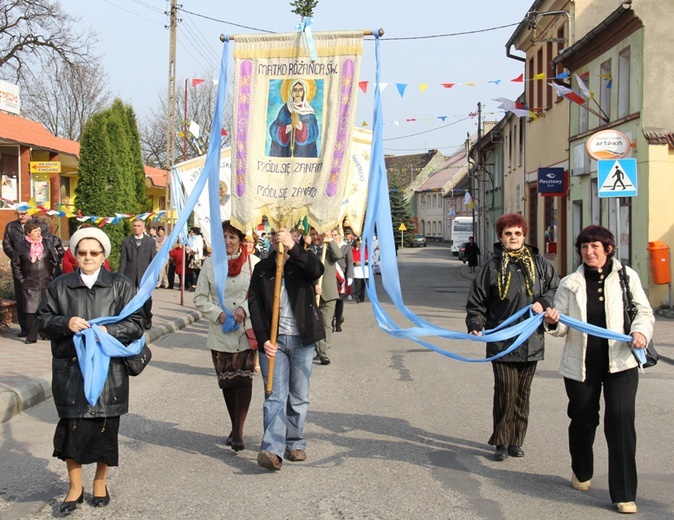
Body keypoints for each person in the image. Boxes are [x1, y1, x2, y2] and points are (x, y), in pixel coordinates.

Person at [544, 225, 653, 515]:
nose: (589, 252)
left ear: (608, 249)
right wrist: (553, 322)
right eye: (584, 247)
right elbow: (562, 327)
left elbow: (644, 312)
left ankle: (624, 494)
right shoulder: (569, 283)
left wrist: (641, 332)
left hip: (622, 363)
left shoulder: (627, 277)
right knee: (582, 420)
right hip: (582, 366)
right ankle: (581, 469)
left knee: (620, 424)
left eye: (595, 247)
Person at [35, 227, 145, 513]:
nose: (87, 258)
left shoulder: (120, 285)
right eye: (82, 253)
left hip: (109, 371)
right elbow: (42, 320)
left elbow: (137, 323)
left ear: (103, 255)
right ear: (74, 254)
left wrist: (108, 330)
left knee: (104, 430)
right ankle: (74, 486)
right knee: (73, 431)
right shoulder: (59, 286)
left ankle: (99, 481)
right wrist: (66, 323)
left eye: (94, 253)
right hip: (71, 369)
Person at [466, 213, 559, 462]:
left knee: (522, 392)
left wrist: (544, 301)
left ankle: (517, 440)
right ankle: (501, 440)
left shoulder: (539, 263)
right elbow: (477, 301)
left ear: (524, 235)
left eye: (518, 233)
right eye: (508, 234)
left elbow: (554, 287)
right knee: (505, 390)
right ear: (501, 237)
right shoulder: (492, 268)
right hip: (503, 340)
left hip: (532, 339)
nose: (514, 238)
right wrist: (475, 322)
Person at [248, 228, 325, 471]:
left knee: (299, 396)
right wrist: (263, 340)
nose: (276, 238)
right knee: (274, 395)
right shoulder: (263, 268)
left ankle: (295, 442)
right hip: (275, 342)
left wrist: (293, 247)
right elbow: (256, 306)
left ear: (295, 236)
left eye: (282, 233)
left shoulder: (303, 261)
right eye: (272, 234)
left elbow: (317, 270)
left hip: (302, 340)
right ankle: (272, 449)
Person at [193, 221, 260, 452]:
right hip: (220, 333)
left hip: (244, 331)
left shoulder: (253, 263)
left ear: (241, 240)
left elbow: (260, 294)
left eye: (232, 237)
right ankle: (234, 426)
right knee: (228, 382)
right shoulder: (210, 264)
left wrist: (244, 309)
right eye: (224, 237)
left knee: (243, 379)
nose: (228, 241)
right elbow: (200, 297)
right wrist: (219, 314)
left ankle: (239, 432)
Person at [10, 220, 60, 343]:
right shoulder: (20, 245)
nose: (39, 233)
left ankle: (45, 333)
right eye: (36, 231)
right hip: (29, 282)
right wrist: (22, 280)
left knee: (46, 309)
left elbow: (55, 261)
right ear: (28, 232)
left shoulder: (47, 243)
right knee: (30, 310)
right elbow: (16, 265)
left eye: (39, 231)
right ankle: (31, 336)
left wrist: (52, 277)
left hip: (45, 281)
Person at [309, 227, 344, 365]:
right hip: (313, 293)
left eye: (318, 234)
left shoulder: (329, 250)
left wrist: (329, 239)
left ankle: (323, 352)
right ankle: (320, 350)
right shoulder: (308, 251)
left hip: (328, 293)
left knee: (325, 323)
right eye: (313, 235)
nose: (315, 237)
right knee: (314, 323)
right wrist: (312, 286)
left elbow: (339, 255)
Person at [3, 205, 36, 337]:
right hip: (19, 267)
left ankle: (39, 328)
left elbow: (45, 243)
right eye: (18, 214)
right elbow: (6, 245)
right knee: (21, 296)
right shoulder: (11, 227)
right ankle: (25, 329)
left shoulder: (40, 225)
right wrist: (18, 257)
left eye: (24, 213)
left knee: (39, 297)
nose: (21, 216)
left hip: (36, 267)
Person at [119, 218, 156, 328]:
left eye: (139, 226)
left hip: (145, 273)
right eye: (134, 226)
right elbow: (123, 260)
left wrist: (154, 275)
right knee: (130, 298)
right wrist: (121, 275)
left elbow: (153, 260)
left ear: (143, 227)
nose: (136, 228)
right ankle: (133, 321)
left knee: (146, 299)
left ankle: (147, 318)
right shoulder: (126, 241)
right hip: (130, 273)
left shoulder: (150, 242)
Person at [269, 78, 319, 158]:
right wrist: (288, 127)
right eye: (295, 90)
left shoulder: (309, 112)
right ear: (291, 92)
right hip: (285, 153)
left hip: (304, 154)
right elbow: (273, 129)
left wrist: (300, 126)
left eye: (300, 90)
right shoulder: (285, 109)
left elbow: (314, 132)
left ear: (304, 92)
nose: (297, 93)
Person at [332, 227, 353, 332]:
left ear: (340, 235)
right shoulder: (329, 245)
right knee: (331, 300)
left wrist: (350, 276)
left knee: (339, 301)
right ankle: (331, 322)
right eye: (332, 235)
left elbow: (349, 262)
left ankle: (338, 323)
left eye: (335, 235)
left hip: (342, 277)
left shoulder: (346, 246)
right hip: (331, 276)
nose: (333, 237)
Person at [351, 237, 369, 303]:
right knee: (357, 284)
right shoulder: (353, 250)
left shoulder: (366, 250)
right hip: (357, 270)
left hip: (364, 270)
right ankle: (356, 296)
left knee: (363, 285)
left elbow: (370, 260)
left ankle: (362, 297)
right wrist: (355, 263)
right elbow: (351, 260)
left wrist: (363, 262)